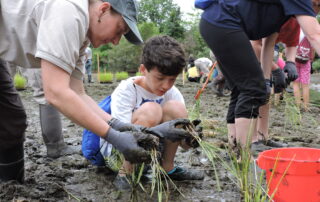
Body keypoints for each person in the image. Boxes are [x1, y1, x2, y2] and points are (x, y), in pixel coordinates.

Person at [0, 0, 194, 183]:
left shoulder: (82, 39)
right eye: (119, 30)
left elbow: (77, 93)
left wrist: (119, 126)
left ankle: (11, 187)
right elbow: (56, 92)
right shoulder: (70, 12)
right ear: (103, 9)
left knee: (12, 122)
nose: (117, 42)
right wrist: (113, 136)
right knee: (12, 119)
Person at [82, 36, 204, 190]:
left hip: (150, 155)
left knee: (177, 109)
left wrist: (190, 139)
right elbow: (122, 135)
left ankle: (167, 169)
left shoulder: (173, 93)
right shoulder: (127, 89)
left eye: (172, 79)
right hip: (120, 153)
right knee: (152, 109)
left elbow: (183, 146)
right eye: (160, 78)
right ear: (143, 70)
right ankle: (125, 173)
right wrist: (156, 131)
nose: (166, 85)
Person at [197, 0, 320, 150]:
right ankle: (244, 154)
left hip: (214, 23)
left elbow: (268, 44)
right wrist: (269, 77)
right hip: (224, 24)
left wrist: (268, 80)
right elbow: (315, 35)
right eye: (317, 5)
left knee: (241, 89)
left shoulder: (282, 12)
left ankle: (234, 147)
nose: (316, 10)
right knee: (253, 89)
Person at [293, 31, 315, 111]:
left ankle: (298, 106)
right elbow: (313, 49)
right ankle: (306, 107)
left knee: (295, 84)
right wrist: (311, 59)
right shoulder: (309, 31)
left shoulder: (296, 31)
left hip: (295, 59)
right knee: (305, 85)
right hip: (306, 61)